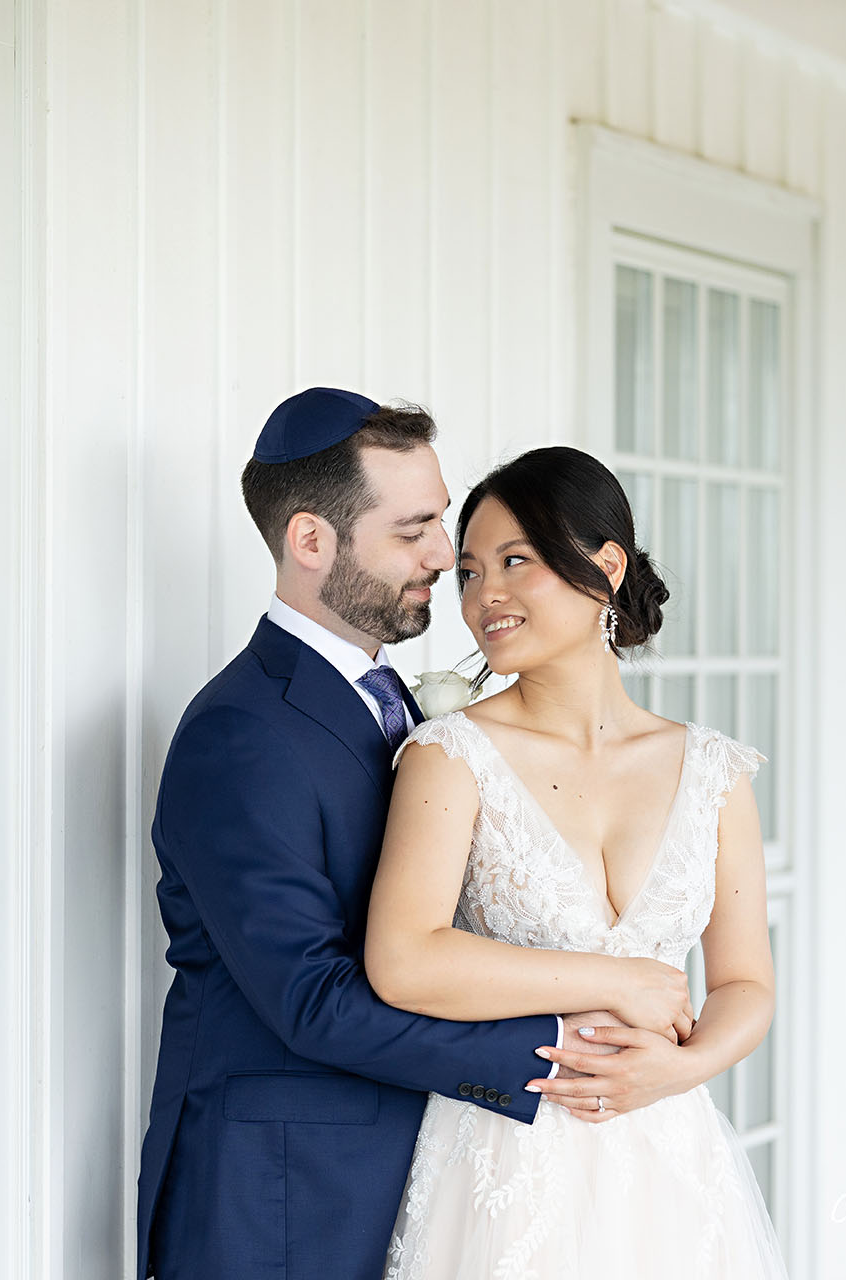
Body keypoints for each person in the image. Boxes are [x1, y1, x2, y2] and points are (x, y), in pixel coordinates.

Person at [136, 391, 693, 1280]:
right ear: (312, 542)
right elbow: (312, 1000)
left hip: (437, 1182)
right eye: (416, 531)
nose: (446, 557)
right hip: (286, 1204)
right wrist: (556, 1049)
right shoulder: (238, 734)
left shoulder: (413, 708)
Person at [369, 445, 784, 1278]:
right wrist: (615, 978)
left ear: (605, 567)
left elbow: (746, 985)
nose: (486, 596)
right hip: (505, 1161)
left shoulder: (712, 770)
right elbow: (403, 959)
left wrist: (682, 1066)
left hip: (670, 1160)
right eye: (470, 573)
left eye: (516, 562)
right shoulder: (450, 756)